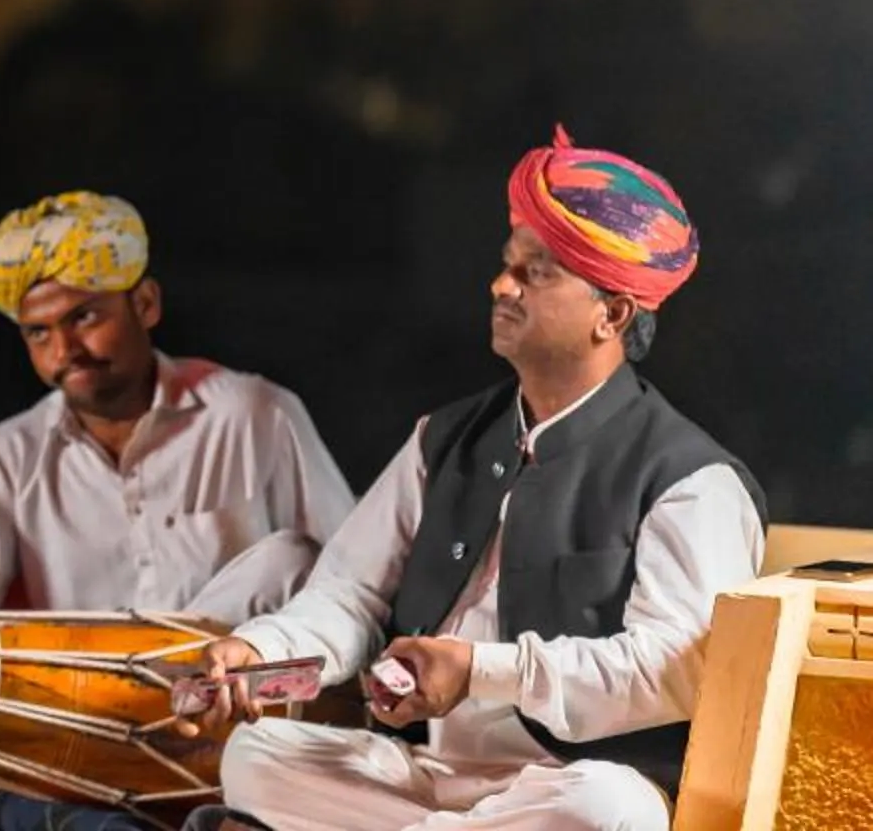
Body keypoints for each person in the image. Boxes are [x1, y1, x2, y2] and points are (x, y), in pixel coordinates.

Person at [191, 128, 763, 831]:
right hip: (428, 779)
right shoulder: (445, 437)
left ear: (611, 314)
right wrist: (263, 650)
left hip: (562, 789)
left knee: (611, 811)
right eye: (506, 264)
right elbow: (351, 591)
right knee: (256, 755)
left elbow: (674, 670)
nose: (501, 285)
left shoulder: (690, 479)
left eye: (537, 273)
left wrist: (478, 669)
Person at [0, 190, 353, 831]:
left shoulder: (256, 412)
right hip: (67, 737)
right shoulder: (10, 451)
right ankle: (49, 821)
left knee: (292, 556)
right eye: (38, 332)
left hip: (227, 723)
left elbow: (354, 586)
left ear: (145, 304)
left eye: (84, 317)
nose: (62, 348)